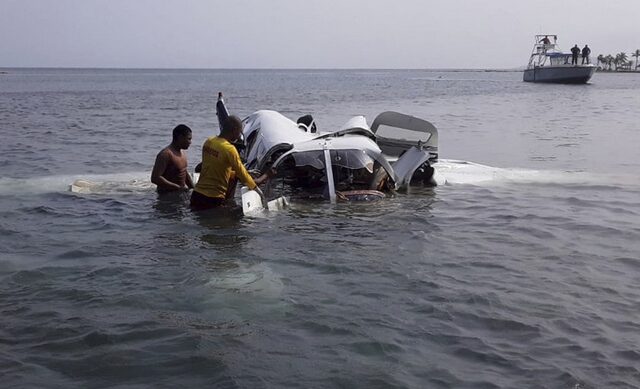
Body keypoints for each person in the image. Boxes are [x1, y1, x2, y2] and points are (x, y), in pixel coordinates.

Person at [190, 115, 273, 210]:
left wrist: (240, 174)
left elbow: (214, 168)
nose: (239, 135)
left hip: (196, 196)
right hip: (213, 199)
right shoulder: (229, 149)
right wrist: (259, 192)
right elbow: (243, 176)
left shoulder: (208, 142)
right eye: (240, 132)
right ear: (234, 130)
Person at [151, 124, 194, 192]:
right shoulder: (165, 154)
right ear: (180, 137)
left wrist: (193, 188)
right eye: (189, 139)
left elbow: (183, 171)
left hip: (180, 193)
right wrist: (177, 187)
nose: (190, 142)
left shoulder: (182, 153)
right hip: (166, 196)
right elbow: (155, 178)